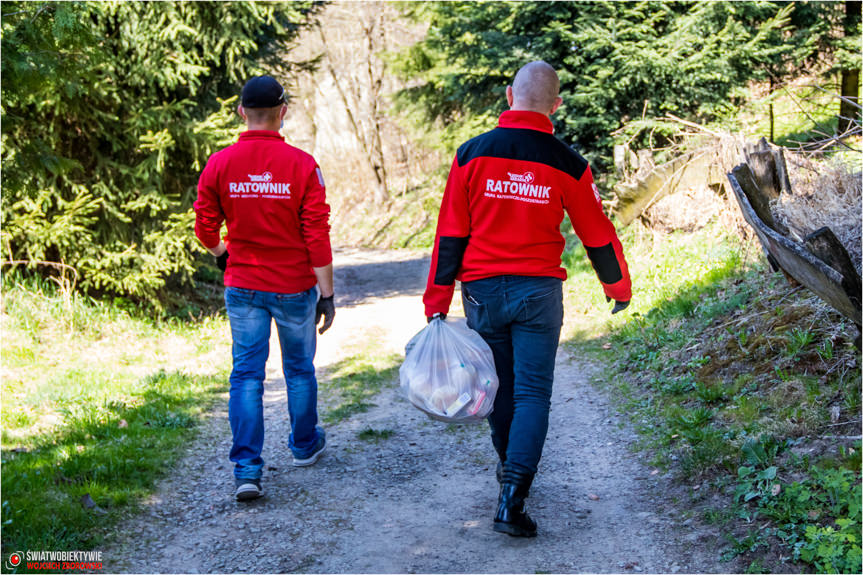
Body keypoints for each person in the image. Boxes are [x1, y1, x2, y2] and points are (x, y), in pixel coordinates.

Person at [423, 61, 632, 537]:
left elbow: (450, 234)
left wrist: (436, 299)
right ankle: (513, 499)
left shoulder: (471, 155)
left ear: (508, 95)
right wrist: (616, 286)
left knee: (499, 387)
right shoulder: (568, 163)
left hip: (482, 292)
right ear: (555, 106)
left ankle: (508, 467)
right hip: (539, 292)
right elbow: (596, 232)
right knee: (534, 393)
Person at [194, 75, 335, 501]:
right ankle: (304, 445)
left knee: (247, 376)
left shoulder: (219, 164)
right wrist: (327, 294)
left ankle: (247, 469)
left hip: (243, 286)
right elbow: (317, 234)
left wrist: (223, 252)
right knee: (298, 370)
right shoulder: (302, 164)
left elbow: (204, 224)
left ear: (241, 112)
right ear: (283, 113)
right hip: (294, 287)